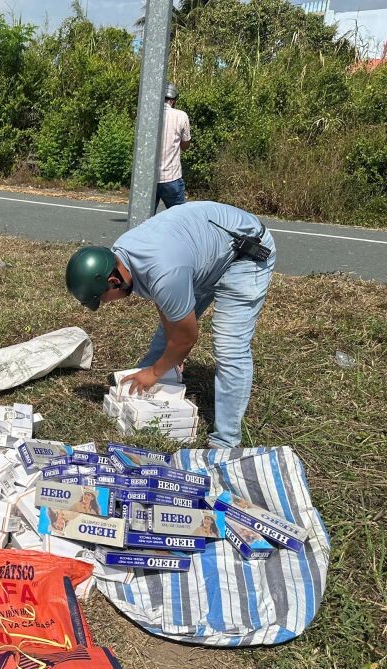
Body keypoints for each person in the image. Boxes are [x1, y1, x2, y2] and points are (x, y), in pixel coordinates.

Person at [65, 201, 276, 449]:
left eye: (102, 299)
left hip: (245, 253)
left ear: (113, 281)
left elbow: (187, 337)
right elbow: (165, 303)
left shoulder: (164, 273)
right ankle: (137, 390)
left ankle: (226, 442)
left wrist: (157, 370)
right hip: (206, 254)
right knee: (169, 337)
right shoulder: (123, 256)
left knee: (230, 347)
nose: (106, 303)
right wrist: (171, 356)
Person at [157, 82, 191, 211]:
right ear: (173, 100)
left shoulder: (149, 114)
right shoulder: (181, 115)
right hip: (171, 178)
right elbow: (185, 145)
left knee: (145, 218)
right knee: (178, 217)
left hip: (149, 178)